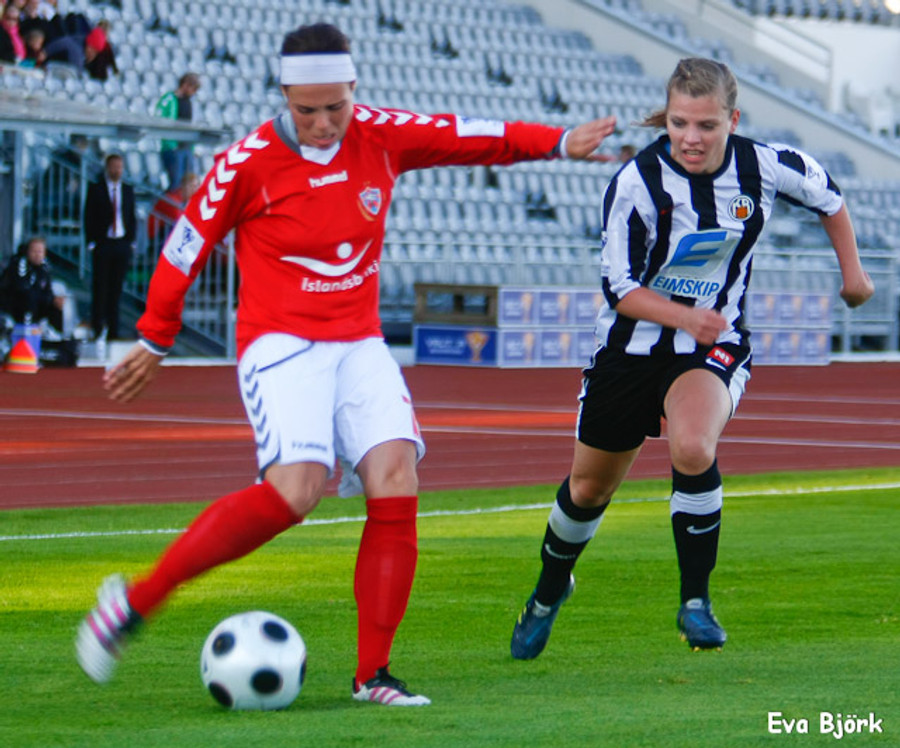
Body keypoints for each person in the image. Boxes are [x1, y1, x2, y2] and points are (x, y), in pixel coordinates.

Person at [74, 21, 617, 706]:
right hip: (281, 343)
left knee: (397, 476)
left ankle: (373, 675)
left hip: (359, 341)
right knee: (296, 492)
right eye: (309, 110)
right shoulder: (245, 163)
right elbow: (186, 244)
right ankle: (135, 602)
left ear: (354, 88)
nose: (325, 122)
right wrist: (155, 336)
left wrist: (557, 142)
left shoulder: (380, 135)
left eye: (337, 105)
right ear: (284, 96)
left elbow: (466, 135)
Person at [509, 57, 874, 661]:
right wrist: (682, 317)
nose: (691, 138)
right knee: (588, 489)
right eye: (680, 123)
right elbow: (619, 288)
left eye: (706, 125)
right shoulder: (637, 182)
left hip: (713, 343)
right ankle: (549, 592)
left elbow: (829, 198)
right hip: (630, 351)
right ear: (668, 119)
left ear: (733, 120)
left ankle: (696, 602)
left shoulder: (764, 165)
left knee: (694, 446)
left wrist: (854, 274)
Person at [83, 152, 136, 341]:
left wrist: (131, 240)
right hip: (103, 243)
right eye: (114, 167)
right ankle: (97, 327)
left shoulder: (128, 190)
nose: (116, 170)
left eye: (119, 167)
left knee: (116, 288)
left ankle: (113, 330)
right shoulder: (96, 188)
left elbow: (131, 216)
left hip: (121, 243)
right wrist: (91, 241)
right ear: (107, 168)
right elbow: (89, 215)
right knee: (100, 287)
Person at [0, 236, 64, 332]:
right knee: (29, 296)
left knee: (58, 303)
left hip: (36, 303)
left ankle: (56, 332)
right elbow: (21, 287)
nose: (37, 255)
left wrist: (53, 300)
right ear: (28, 252)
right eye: (34, 251)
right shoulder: (20, 264)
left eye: (40, 252)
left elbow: (47, 289)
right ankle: (26, 330)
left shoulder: (44, 267)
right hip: (15, 304)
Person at [154, 72, 201, 189]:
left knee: (188, 184)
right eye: (193, 89)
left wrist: (192, 148)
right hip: (173, 149)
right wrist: (171, 144)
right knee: (176, 183)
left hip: (187, 148)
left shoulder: (189, 102)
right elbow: (160, 120)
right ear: (185, 85)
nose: (194, 93)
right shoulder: (169, 99)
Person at [146, 171, 199, 248]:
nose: (194, 190)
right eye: (192, 186)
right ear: (183, 186)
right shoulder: (171, 200)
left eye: (196, 186)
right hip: (157, 237)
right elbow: (179, 220)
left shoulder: (184, 201)